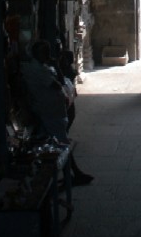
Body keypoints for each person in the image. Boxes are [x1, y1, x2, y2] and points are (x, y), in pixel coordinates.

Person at [21, 39, 94, 185]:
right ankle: (72, 175)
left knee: (59, 143)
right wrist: (56, 66)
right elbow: (58, 84)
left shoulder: (40, 68)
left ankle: (70, 175)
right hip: (49, 111)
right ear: (36, 54)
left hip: (52, 110)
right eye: (44, 52)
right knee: (62, 144)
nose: (47, 55)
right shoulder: (40, 71)